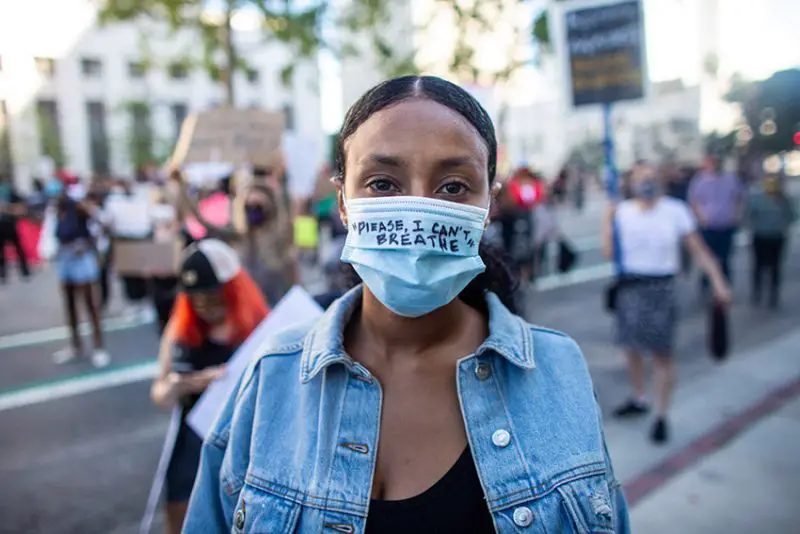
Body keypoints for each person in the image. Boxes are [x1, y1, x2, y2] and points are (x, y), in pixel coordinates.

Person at [184, 75, 629, 533]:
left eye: (453, 187)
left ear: (489, 205)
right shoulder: (272, 376)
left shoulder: (559, 371)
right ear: (342, 202)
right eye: (382, 183)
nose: (417, 210)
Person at [604, 162, 731, 444]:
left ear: (659, 180)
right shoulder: (622, 212)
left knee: (662, 355)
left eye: (651, 177)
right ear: (632, 183)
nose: (646, 183)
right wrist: (607, 220)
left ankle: (661, 415)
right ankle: (639, 398)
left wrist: (719, 283)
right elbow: (608, 252)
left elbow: (699, 250)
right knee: (631, 348)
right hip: (630, 288)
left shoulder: (675, 211)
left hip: (661, 289)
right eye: (640, 178)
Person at [151, 239, 268, 534]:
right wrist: (184, 383)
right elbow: (160, 394)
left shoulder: (260, 329)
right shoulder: (179, 329)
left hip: (246, 435)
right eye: (197, 300)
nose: (206, 308)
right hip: (193, 436)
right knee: (180, 509)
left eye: (214, 298)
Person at [48, 181, 110, 367]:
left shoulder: (78, 206)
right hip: (64, 258)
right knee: (70, 305)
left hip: (82, 258)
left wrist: (90, 246)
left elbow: (101, 225)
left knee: (90, 304)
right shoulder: (56, 211)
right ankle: (76, 345)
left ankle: (98, 347)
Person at [688, 153, 744, 295]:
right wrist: (700, 218)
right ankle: (707, 285)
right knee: (708, 257)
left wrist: (737, 216)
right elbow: (693, 202)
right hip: (708, 226)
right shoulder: (699, 181)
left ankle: (725, 285)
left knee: (725, 257)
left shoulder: (731, 179)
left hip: (726, 225)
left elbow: (739, 198)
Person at [745, 175, 797, 308]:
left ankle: (772, 294)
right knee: (759, 266)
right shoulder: (758, 199)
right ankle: (757, 292)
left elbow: (792, 216)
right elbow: (749, 215)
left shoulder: (783, 200)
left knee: (774, 267)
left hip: (776, 237)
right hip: (761, 236)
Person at [0, 174, 31, 283]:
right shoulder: (8, 191)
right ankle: (4, 273)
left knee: (17, 248)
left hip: (9, 223)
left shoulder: (9, 191)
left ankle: (24, 270)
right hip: (4, 224)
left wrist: (8, 209)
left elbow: (21, 206)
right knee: (3, 251)